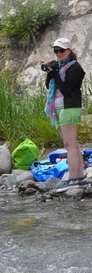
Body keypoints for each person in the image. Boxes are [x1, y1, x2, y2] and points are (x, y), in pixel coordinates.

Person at [44, 38, 87, 192]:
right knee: (73, 145)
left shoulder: (75, 69)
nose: (59, 54)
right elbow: (49, 86)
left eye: (62, 50)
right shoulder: (60, 67)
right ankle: (80, 177)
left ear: (69, 50)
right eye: (56, 51)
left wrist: (55, 73)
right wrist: (50, 73)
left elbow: (66, 89)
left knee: (69, 146)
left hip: (70, 108)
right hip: (61, 108)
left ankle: (73, 179)